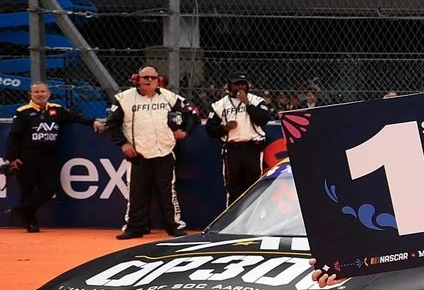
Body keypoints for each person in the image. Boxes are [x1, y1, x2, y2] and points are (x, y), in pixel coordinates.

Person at [95, 65, 191, 238]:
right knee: (136, 193)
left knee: (167, 192)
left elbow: (191, 114)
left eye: (153, 78)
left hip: (165, 151)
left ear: (158, 80)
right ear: (136, 79)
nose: (149, 81)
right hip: (138, 154)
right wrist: (123, 144)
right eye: (145, 77)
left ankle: (173, 226)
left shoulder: (168, 96)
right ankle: (135, 227)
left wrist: (185, 132)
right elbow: (111, 125)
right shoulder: (124, 99)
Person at [7, 83, 87, 231]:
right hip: (27, 157)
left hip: (48, 157)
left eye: (43, 91)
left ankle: (18, 210)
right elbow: (14, 136)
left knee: (50, 189)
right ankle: (30, 222)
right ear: (30, 94)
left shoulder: (57, 109)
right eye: (36, 92)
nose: (40, 94)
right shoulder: (23, 112)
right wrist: (12, 157)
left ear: (49, 94)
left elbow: (75, 118)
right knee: (27, 190)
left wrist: (93, 122)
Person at [204, 73, 273, 202]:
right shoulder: (219, 105)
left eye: (243, 84)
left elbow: (263, 120)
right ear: (229, 86)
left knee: (254, 188)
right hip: (232, 150)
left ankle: (253, 215)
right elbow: (210, 129)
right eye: (236, 84)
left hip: (252, 148)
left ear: (248, 85)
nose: (240, 87)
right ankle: (234, 215)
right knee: (233, 189)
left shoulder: (257, 101)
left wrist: (247, 104)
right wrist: (224, 128)